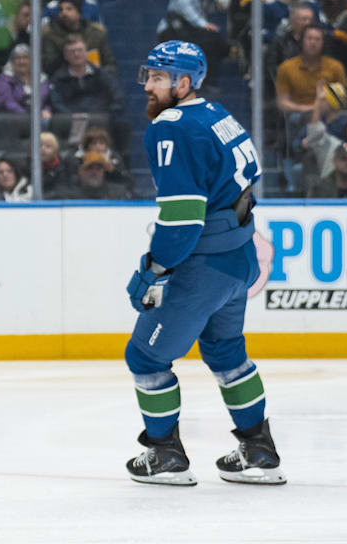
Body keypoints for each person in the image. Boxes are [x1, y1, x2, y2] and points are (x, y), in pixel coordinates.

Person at [123, 40, 284, 487]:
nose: (148, 87)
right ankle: (259, 449)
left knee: (146, 357)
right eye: (148, 77)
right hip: (240, 258)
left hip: (204, 267)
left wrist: (154, 270)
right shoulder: (219, 115)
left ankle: (164, 455)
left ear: (184, 82)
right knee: (227, 352)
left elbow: (181, 221)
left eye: (158, 78)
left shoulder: (171, 128)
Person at [157, 0, 229, 88]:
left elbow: (198, 7)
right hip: (175, 30)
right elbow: (183, 4)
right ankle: (203, 83)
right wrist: (202, 24)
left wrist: (216, 6)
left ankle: (205, 82)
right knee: (212, 41)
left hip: (189, 30)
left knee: (220, 44)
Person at [49, 34, 122, 117]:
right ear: (65, 56)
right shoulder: (58, 79)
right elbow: (56, 104)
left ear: (86, 52)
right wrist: (71, 117)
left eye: (79, 50)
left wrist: (108, 116)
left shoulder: (102, 74)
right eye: (71, 51)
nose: (76, 54)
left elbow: (117, 98)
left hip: (101, 120)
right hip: (69, 123)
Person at [41, 0, 116, 75]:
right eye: (60, 10)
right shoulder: (50, 35)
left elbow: (110, 63)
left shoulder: (96, 33)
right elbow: (48, 66)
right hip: (63, 81)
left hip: (94, 80)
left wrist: (101, 77)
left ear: (79, 13)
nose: (64, 13)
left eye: (69, 9)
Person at [0, 44, 51, 118]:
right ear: (12, 62)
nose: (22, 61)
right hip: (11, 120)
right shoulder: (3, 80)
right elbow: (7, 102)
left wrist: (46, 110)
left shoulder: (41, 79)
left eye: (25, 58)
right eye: (17, 58)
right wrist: (28, 116)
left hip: (38, 119)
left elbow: (47, 101)